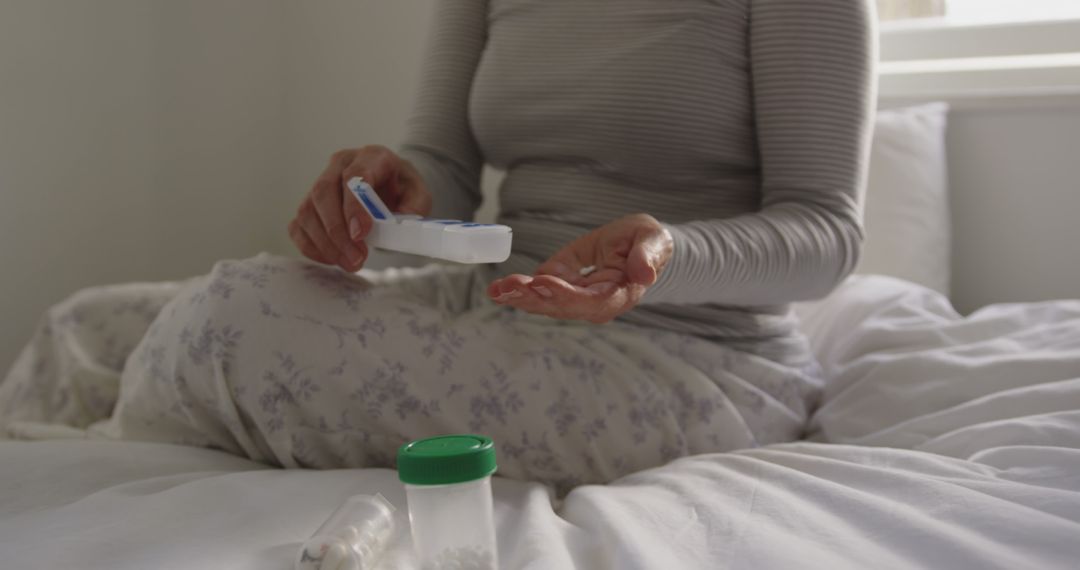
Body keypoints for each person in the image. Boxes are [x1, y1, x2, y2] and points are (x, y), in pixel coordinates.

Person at [1, 0, 874, 494]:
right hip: (493, 303)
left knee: (235, 322)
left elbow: (826, 232)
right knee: (87, 326)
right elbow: (444, 170)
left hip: (688, 354)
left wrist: (665, 254)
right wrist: (383, 191)